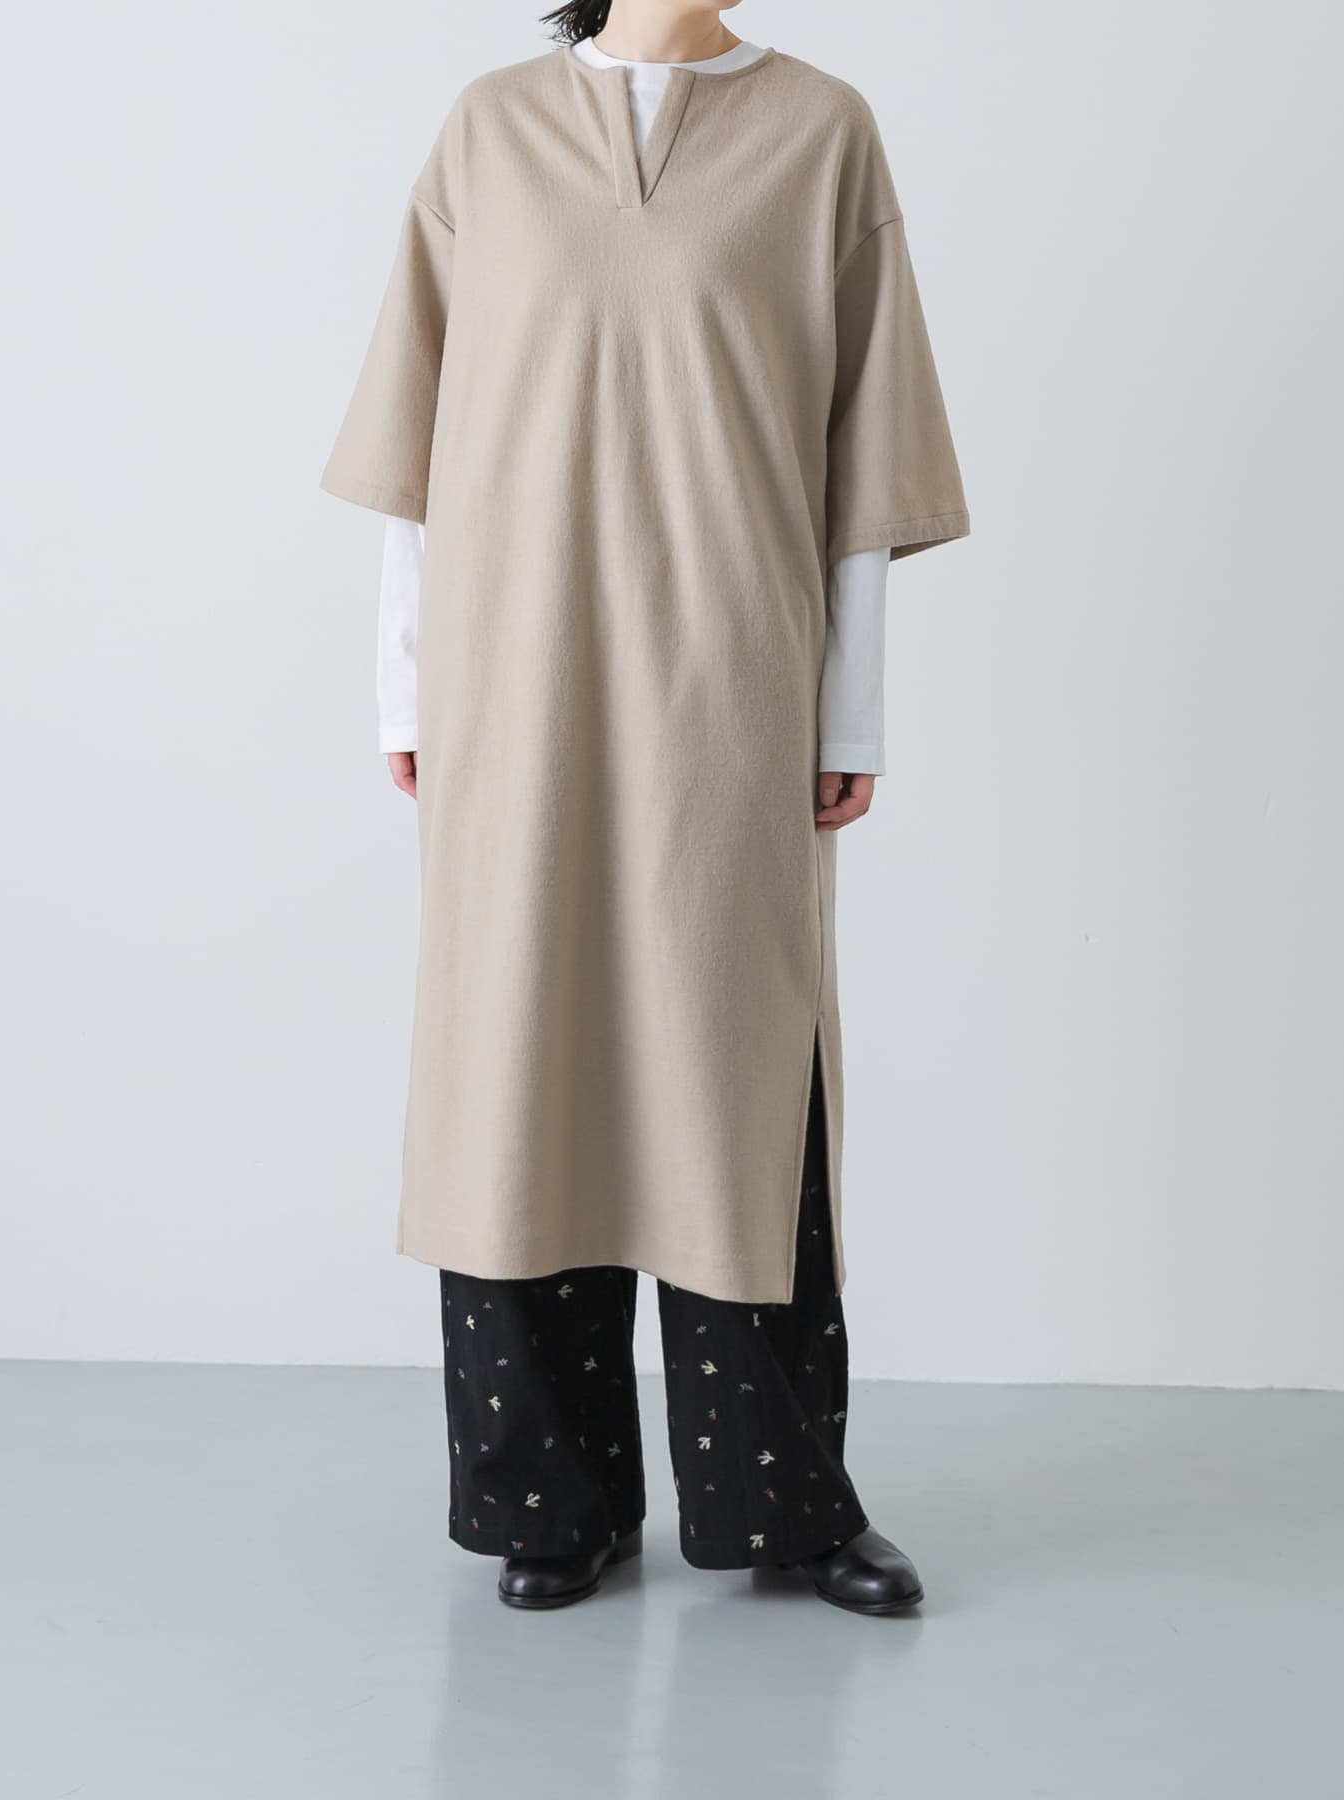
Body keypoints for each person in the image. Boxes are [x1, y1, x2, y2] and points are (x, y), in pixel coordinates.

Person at [320, 0, 969, 1614]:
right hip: (514, 681)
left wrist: (850, 711)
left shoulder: (824, 132)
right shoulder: (490, 128)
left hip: (730, 688)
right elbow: (415, 442)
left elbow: (865, 457)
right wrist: (406, 693)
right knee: (517, 1069)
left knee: (736, 1078)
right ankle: (555, 1503)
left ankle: (787, 1509)